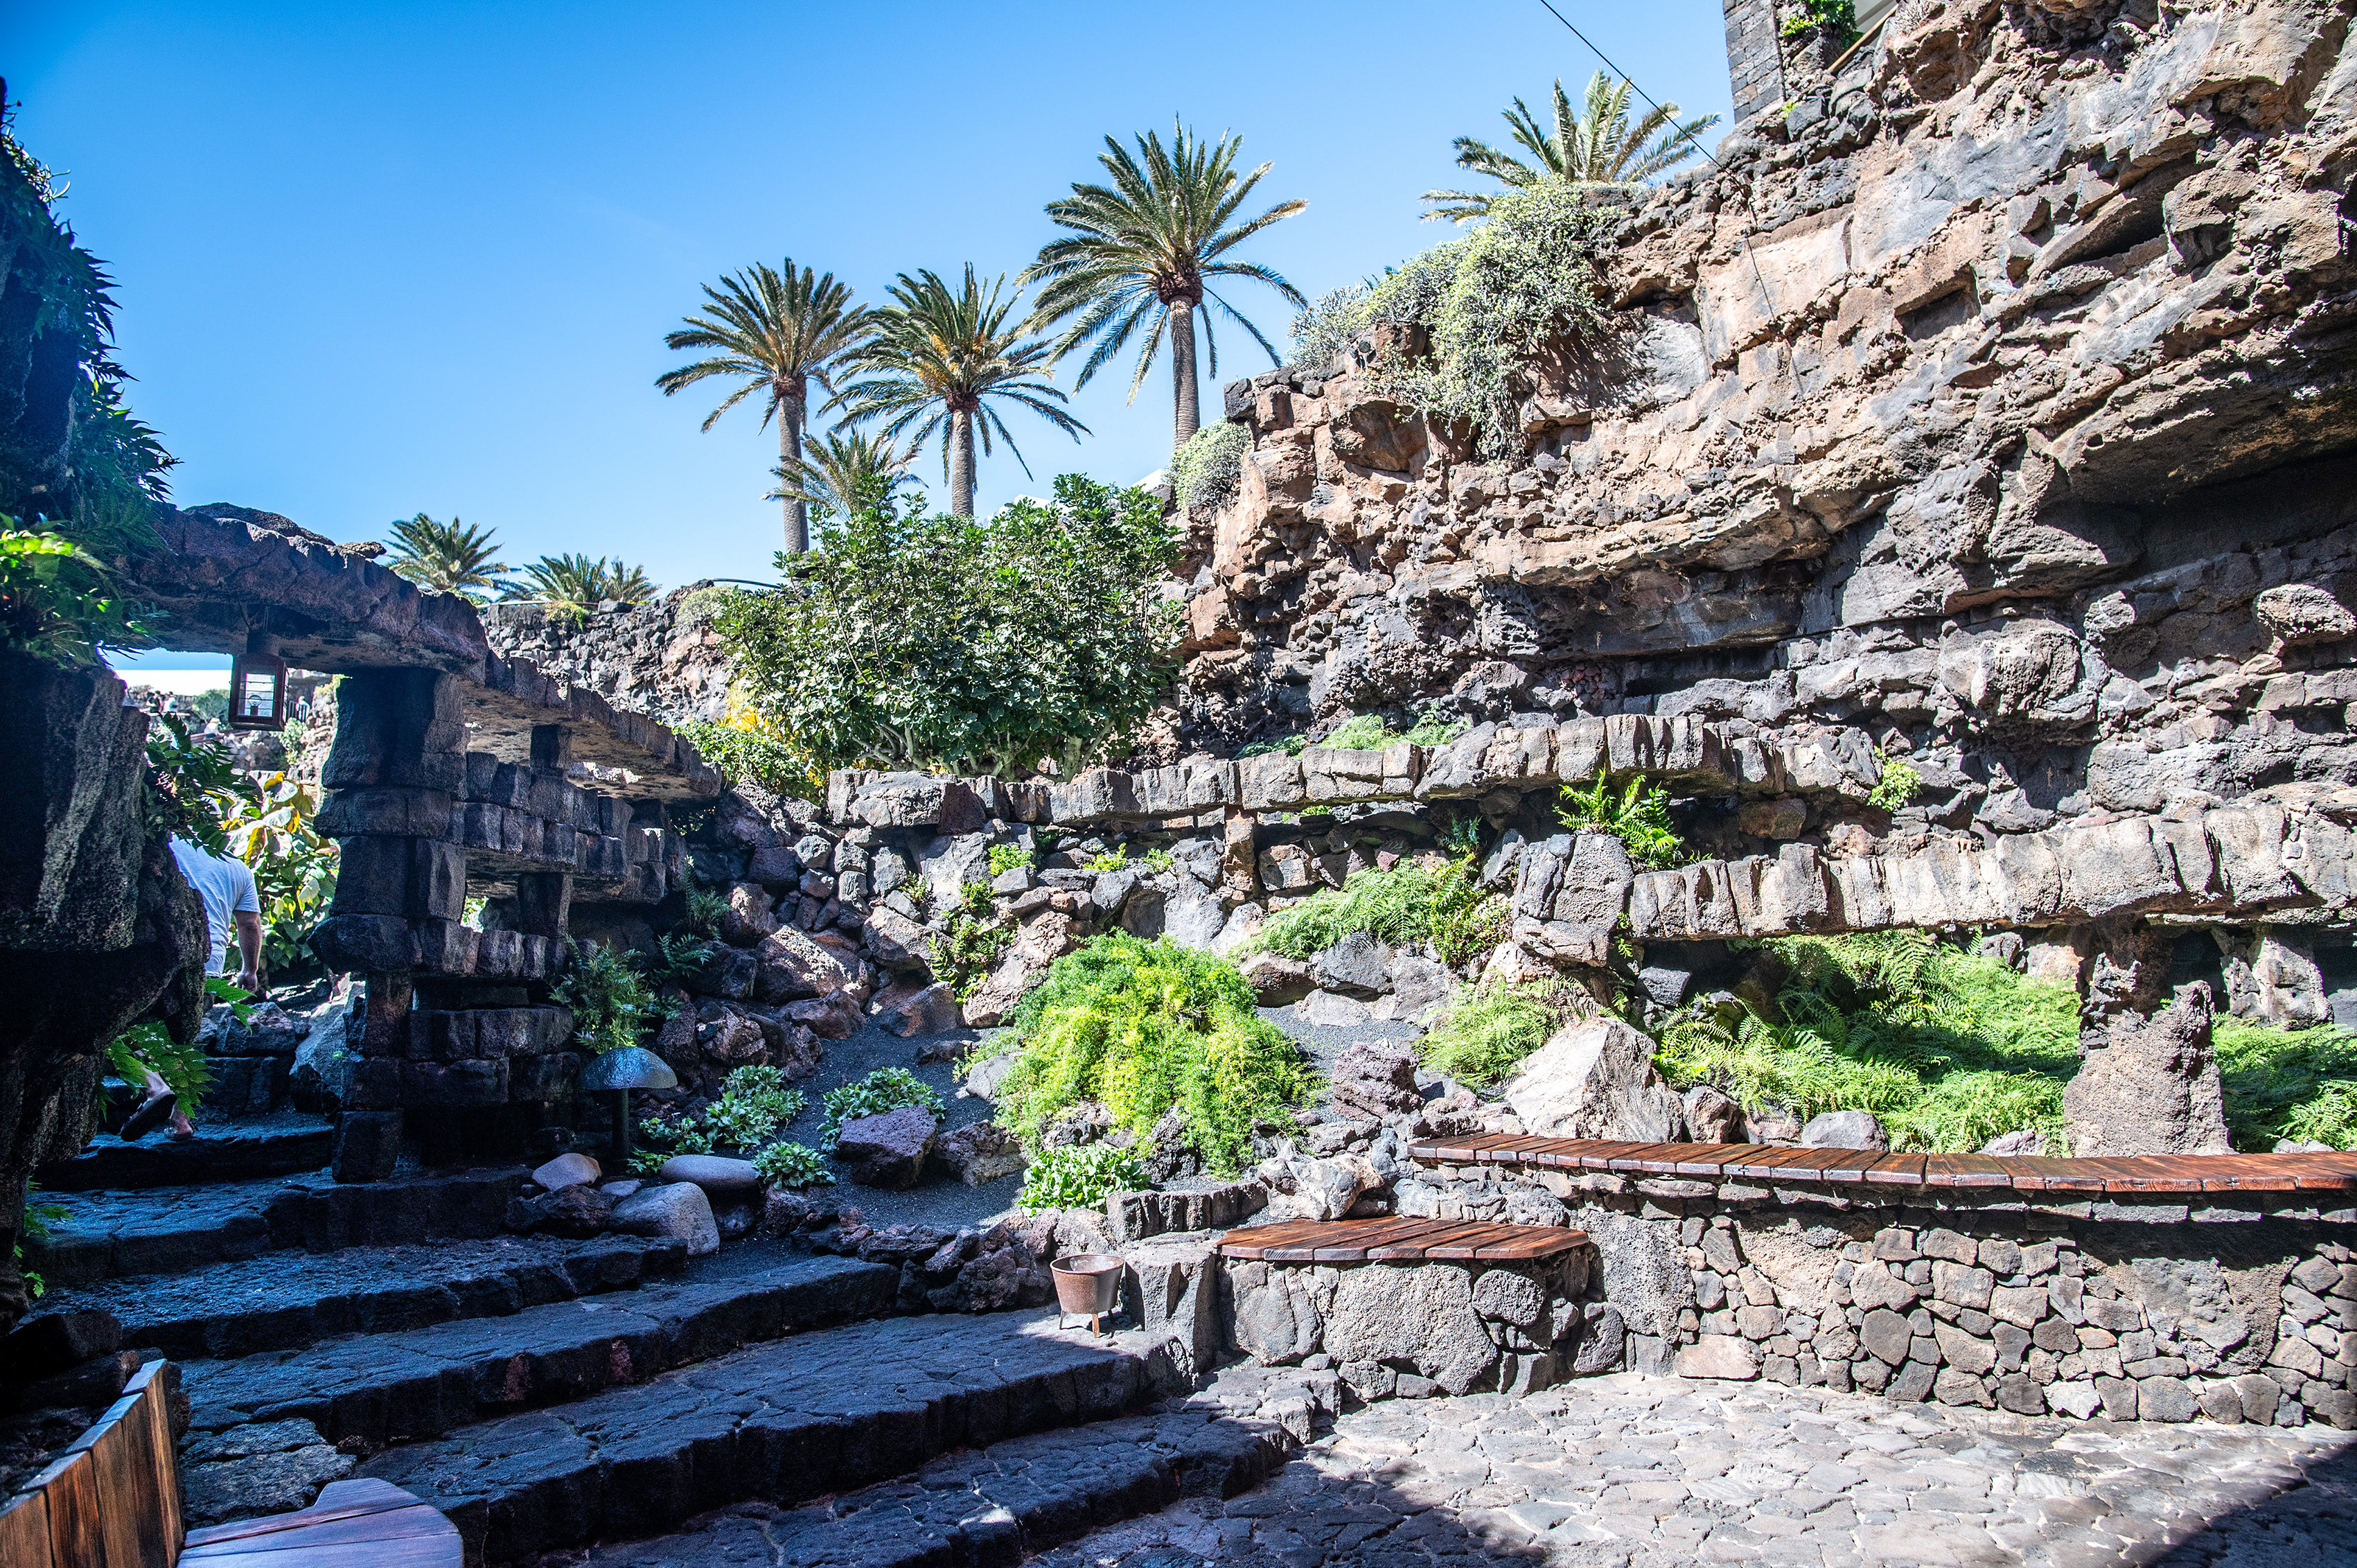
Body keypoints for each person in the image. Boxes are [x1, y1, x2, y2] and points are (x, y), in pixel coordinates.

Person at [120, 837, 265, 1141]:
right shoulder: (239, 869)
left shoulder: (166, 846)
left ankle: (154, 1086)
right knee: (184, 1041)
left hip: (155, 953)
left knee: (119, 1030)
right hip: (206, 964)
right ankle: (180, 1122)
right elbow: (249, 924)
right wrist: (249, 971)